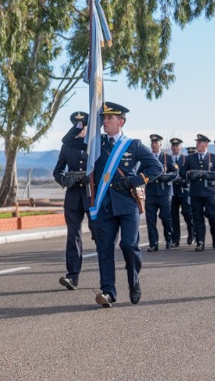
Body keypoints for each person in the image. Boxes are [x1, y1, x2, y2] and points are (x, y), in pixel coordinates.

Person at [85, 101, 162, 307]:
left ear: (121, 121)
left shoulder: (133, 145)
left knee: (128, 244)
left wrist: (134, 180)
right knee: (104, 248)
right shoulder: (96, 143)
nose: (105, 121)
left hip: (127, 204)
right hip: (104, 205)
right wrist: (87, 120)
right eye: (103, 117)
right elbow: (71, 141)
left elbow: (156, 168)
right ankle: (108, 291)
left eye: (109, 118)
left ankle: (134, 280)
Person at [52, 112, 90, 288]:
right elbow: (57, 171)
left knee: (100, 233)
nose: (81, 128)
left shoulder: (95, 144)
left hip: (92, 195)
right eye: (77, 125)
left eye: (83, 125)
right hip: (74, 196)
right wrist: (65, 180)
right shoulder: (67, 147)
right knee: (73, 236)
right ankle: (72, 276)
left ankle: (107, 278)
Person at [184, 134, 215, 251]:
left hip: (209, 192)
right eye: (197, 142)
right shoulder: (191, 158)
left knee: (212, 215)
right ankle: (200, 242)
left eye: (199, 142)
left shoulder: (214, 157)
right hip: (196, 192)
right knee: (197, 218)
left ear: (206, 144)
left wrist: (209, 175)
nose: (197, 144)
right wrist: (189, 174)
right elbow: (182, 172)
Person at [142, 133, 176, 252]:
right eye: (152, 142)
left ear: (160, 144)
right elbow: (140, 173)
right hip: (151, 192)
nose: (154, 144)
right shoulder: (147, 158)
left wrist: (167, 177)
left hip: (164, 193)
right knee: (150, 220)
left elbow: (175, 173)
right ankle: (153, 243)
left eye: (156, 142)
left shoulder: (167, 157)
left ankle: (169, 239)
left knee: (166, 218)